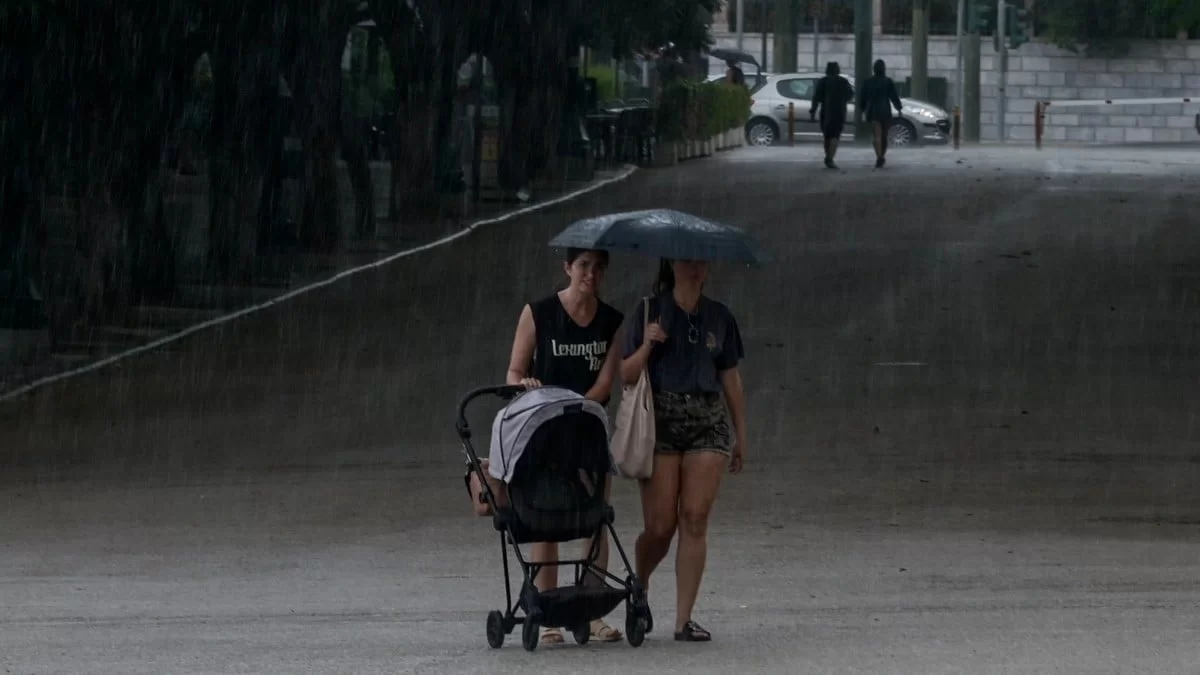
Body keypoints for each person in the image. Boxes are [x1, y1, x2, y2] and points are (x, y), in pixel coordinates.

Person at [472, 247, 626, 646]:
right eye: (584, 266)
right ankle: (548, 614)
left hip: (587, 426)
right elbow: (515, 370)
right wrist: (526, 386)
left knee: (596, 516)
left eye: (599, 268)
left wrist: (578, 411)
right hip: (542, 429)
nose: (591, 275)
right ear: (567, 268)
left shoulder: (612, 323)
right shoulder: (539, 313)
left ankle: (592, 612)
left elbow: (606, 383)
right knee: (546, 517)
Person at [619, 258, 747, 643]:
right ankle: (639, 584)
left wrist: (741, 432)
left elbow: (730, 376)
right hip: (660, 421)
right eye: (685, 261)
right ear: (672, 266)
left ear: (708, 269)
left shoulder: (719, 317)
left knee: (694, 518)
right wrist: (647, 343)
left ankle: (683, 619)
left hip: (707, 419)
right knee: (660, 526)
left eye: (700, 262)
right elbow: (624, 374)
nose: (693, 269)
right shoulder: (648, 311)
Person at [857, 58, 904, 169]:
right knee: (884, 136)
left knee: (877, 135)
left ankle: (879, 156)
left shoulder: (868, 82)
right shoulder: (888, 81)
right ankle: (882, 155)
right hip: (885, 110)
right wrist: (899, 108)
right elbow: (894, 97)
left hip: (873, 110)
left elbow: (863, 97)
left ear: (874, 69)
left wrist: (862, 109)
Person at [809, 61, 855, 170]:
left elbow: (816, 98)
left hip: (826, 110)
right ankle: (830, 157)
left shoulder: (822, 82)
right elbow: (850, 95)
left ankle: (828, 155)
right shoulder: (843, 82)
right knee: (836, 135)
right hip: (839, 110)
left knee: (827, 135)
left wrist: (812, 111)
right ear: (838, 70)